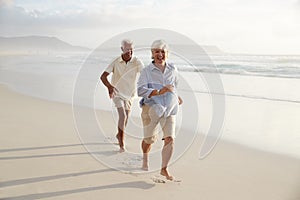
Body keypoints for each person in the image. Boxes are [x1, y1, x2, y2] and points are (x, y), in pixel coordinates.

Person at [137, 39, 183, 180]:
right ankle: (145, 158)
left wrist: (177, 96)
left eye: (163, 52)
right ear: (152, 53)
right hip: (151, 106)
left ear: (166, 54)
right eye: (157, 51)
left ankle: (164, 169)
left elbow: (174, 85)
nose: (160, 54)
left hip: (169, 108)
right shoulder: (146, 71)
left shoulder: (173, 68)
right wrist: (159, 92)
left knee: (170, 139)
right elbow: (140, 90)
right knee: (149, 139)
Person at [100, 39, 144, 152]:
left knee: (126, 119)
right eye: (127, 49)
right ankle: (121, 144)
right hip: (117, 93)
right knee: (122, 116)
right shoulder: (116, 61)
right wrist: (110, 87)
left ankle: (119, 134)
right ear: (122, 49)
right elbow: (103, 76)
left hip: (130, 94)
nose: (130, 51)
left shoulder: (137, 62)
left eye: (131, 49)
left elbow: (145, 74)